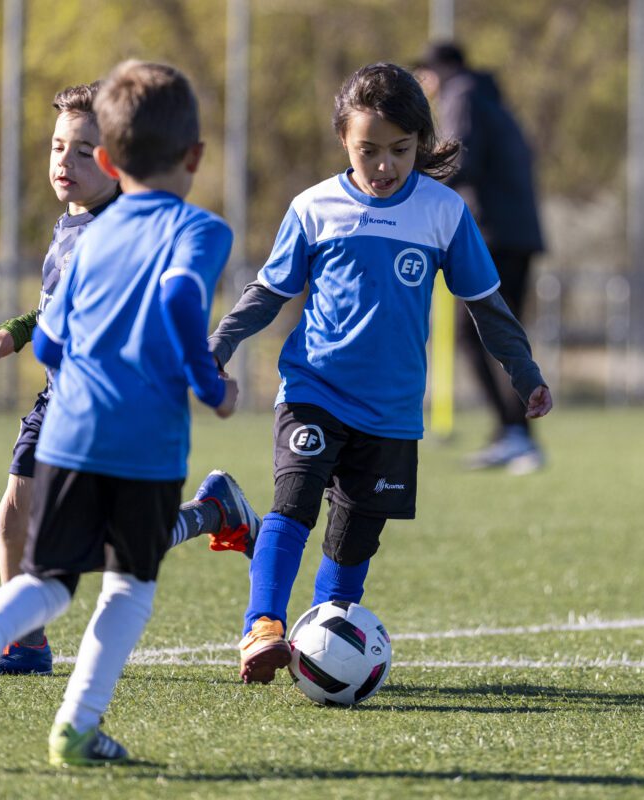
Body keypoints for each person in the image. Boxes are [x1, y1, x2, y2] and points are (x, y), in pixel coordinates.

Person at [0, 60, 242, 766]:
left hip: (68, 427)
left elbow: (49, 337)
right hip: (143, 438)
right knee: (130, 585)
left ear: (107, 158)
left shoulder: (88, 238)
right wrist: (214, 386)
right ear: (193, 156)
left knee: (49, 579)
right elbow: (177, 299)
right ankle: (76, 728)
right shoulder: (203, 231)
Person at [207, 62, 553, 685]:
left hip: (392, 412)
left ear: (421, 142)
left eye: (399, 150)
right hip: (313, 388)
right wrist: (220, 344)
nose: (385, 165)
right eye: (369, 150)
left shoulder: (443, 211)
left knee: (352, 543)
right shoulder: (313, 207)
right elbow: (269, 291)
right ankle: (262, 625)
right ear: (344, 139)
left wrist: (524, 373)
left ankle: (321, 645)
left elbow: (487, 307)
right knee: (293, 504)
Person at [415, 42, 547, 473]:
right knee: (500, 334)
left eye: (424, 77)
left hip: (495, 233)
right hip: (515, 231)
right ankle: (515, 434)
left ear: (439, 69)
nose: (425, 88)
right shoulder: (486, 95)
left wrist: (412, 188)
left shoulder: (462, 94)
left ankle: (517, 435)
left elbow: (459, 159)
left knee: (481, 335)